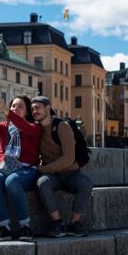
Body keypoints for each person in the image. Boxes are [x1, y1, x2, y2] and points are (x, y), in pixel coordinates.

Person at [0, 91, 41, 241]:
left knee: (12, 180)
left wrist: (5, 110)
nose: (15, 109)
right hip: (6, 168)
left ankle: (26, 227)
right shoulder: (3, 127)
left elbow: (23, 126)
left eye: (20, 107)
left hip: (26, 170)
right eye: (13, 106)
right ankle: (4, 227)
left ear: (27, 112)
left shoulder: (33, 127)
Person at [31, 96, 93, 238]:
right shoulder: (36, 129)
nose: (34, 111)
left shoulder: (61, 126)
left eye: (38, 107)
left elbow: (68, 158)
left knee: (86, 184)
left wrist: (43, 169)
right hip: (52, 176)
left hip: (70, 173)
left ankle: (74, 223)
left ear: (48, 108)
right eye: (33, 108)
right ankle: (57, 222)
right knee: (42, 183)